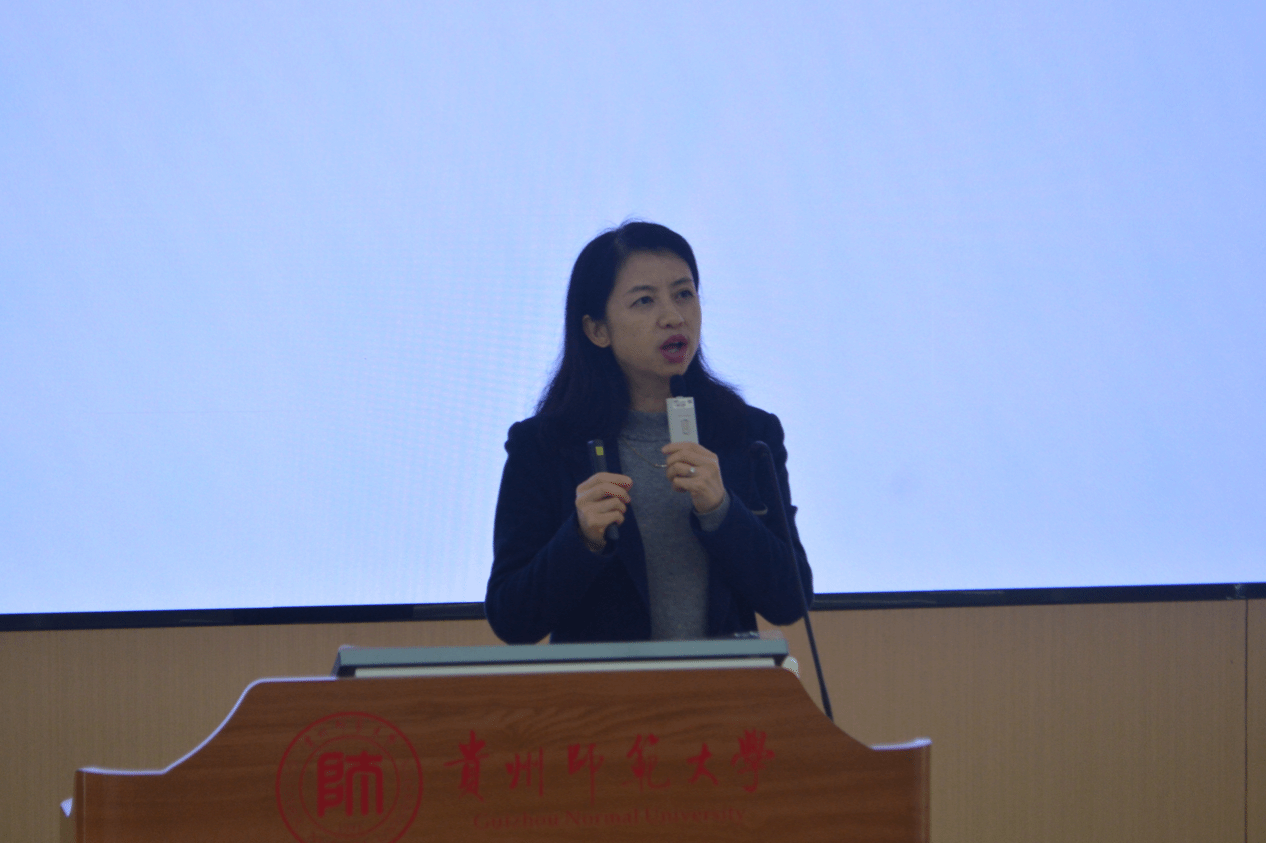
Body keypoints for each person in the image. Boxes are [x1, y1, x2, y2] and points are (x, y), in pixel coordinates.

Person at [484, 221, 812, 643]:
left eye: (684, 294)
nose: (673, 316)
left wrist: (722, 510)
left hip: (723, 684)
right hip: (606, 687)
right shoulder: (546, 446)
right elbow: (512, 619)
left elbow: (790, 600)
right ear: (597, 330)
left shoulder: (749, 436)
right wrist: (581, 538)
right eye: (644, 301)